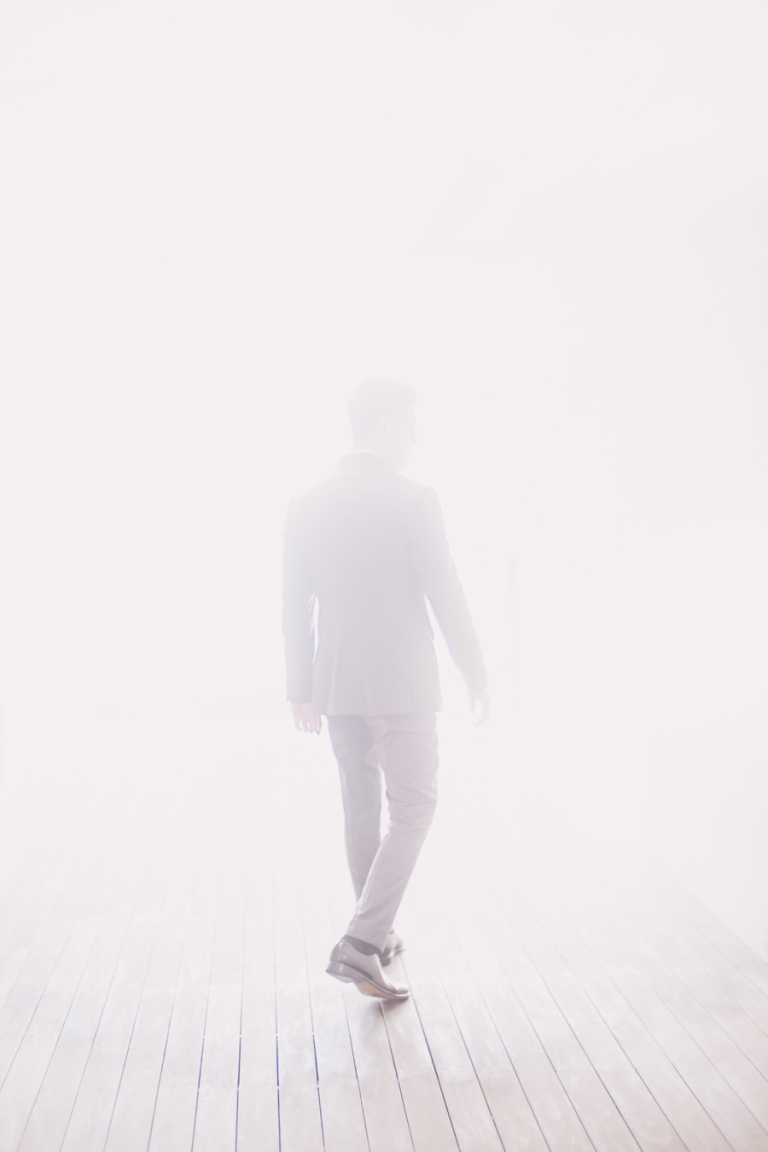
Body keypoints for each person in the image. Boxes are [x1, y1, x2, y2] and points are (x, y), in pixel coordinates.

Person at [282, 380, 490, 1001]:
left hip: (337, 685)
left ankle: (378, 932)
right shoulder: (415, 499)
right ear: (380, 427)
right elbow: (445, 591)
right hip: (402, 685)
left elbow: (294, 605)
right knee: (416, 807)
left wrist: (301, 688)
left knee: (361, 807)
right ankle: (361, 943)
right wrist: (475, 671)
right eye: (409, 425)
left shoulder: (304, 505)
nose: (415, 438)